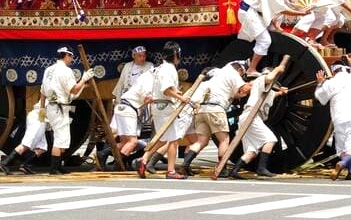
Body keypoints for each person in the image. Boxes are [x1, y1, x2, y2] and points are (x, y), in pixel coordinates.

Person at [238, 0, 307, 77]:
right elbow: (281, 9)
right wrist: (302, 13)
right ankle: (251, 69)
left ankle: (263, 64)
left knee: (270, 33)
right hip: (249, 13)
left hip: (255, 13)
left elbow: (273, 9)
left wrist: (277, 27)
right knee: (265, 40)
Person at [182, 61, 250, 176]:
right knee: (224, 139)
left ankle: (185, 164)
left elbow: (235, 94)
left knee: (201, 141)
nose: (242, 77)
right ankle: (222, 168)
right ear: (239, 70)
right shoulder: (233, 74)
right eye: (242, 74)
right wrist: (258, 82)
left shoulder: (217, 73)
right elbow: (244, 89)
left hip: (202, 109)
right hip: (216, 109)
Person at [137, 41, 193, 180]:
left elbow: (170, 89)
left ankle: (143, 160)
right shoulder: (168, 69)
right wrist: (181, 98)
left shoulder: (161, 68)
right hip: (165, 107)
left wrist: (180, 95)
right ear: (176, 55)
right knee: (173, 140)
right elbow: (167, 90)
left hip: (159, 106)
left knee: (162, 139)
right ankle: (171, 171)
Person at [40, 46, 94, 174]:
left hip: (50, 106)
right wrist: (84, 78)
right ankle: (54, 168)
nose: (72, 60)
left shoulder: (49, 70)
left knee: (62, 138)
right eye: (71, 57)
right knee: (59, 139)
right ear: (66, 56)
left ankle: (58, 166)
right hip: (59, 107)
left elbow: (42, 91)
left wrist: (42, 111)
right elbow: (73, 90)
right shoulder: (66, 71)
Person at [229, 63, 288, 178]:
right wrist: (277, 69)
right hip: (252, 116)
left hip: (251, 117)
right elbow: (269, 78)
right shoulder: (260, 80)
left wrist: (282, 92)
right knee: (270, 139)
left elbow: (274, 94)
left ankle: (235, 170)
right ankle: (261, 168)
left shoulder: (268, 92)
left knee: (252, 150)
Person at [315, 54, 351, 181]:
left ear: (333, 71)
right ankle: (343, 164)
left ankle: (350, 171)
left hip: (339, 118)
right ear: (344, 69)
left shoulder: (331, 83)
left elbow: (321, 98)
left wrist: (320, 83)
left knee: (342, 146)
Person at [98, 63, 154, 169]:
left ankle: (103, 153)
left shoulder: (144, 77)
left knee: (125, 142)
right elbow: (147, 98)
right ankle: (118, 164)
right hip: (128, 109)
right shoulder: (149, 80)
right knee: (133, 142)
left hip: (122, 107)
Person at [0, 106, 49, 175]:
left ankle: (25, 165)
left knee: (42, 147)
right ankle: (4, 163)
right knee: (26, 143)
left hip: (42, 119)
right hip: (39, 118)